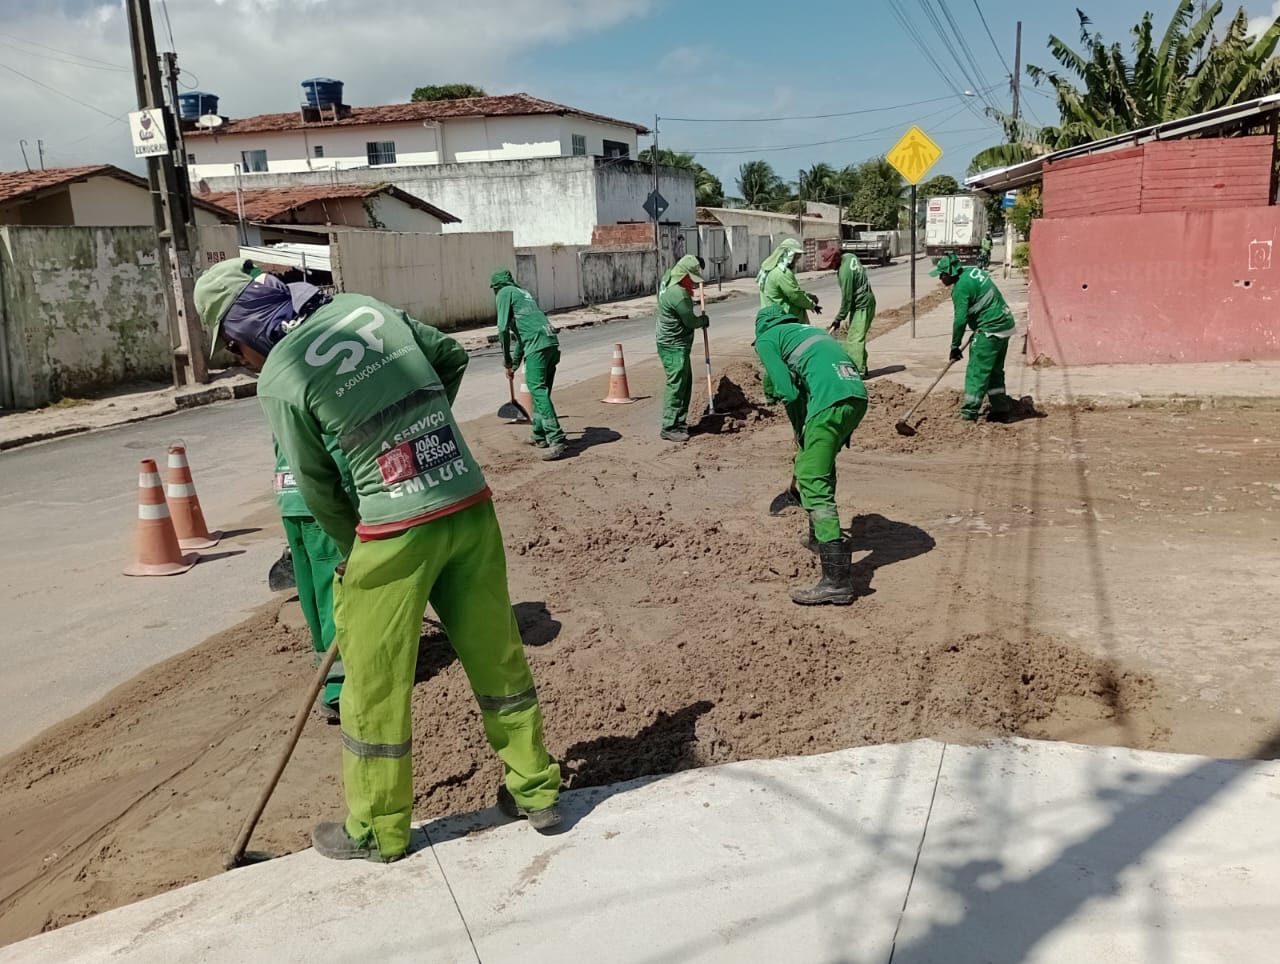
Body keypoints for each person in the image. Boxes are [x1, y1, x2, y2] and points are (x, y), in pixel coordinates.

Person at [193, 260, 562, 863]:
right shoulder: (366, 306)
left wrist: (352, 548)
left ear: (245, 329)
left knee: (373, 684)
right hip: (467, 504)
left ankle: (375, 830)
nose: (242, 361)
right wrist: (418, 433)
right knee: (496, 653)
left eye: (233, 349)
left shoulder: (281, 376)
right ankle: (537, 790)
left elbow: (316, 486)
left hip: (393, 532)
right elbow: (450, 356)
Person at [753, 305, 868, 606]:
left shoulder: (767, 339)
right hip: (855, 398)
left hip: (829, 402)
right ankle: (817, 538)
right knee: (819, 466)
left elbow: (790, 393)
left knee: (812, 478)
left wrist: (798, 431)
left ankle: (836, 582)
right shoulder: (806, 331)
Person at [273, 433, 354, 723]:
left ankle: (327, 670)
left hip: (290, 491)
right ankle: (340, 689)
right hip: (323, 495)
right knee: (335, 591)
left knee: (311, 593)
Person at [490, 269, 567, 461]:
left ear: (497, 287)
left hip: (538, 346)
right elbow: (521, 337)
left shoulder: (504, 293)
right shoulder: (522, 294)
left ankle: (556, 438)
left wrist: (506, 359)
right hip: (550, 342)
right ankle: (539, 435)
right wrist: (514, 364)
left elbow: (502, 330)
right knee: (541, 392)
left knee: (537, 390)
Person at [931, 253, 1016, 422]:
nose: (940, 278)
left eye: (942, 274)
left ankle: (969, 413)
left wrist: (955, 346)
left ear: (950, 273)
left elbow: (960, 321)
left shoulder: (960, 288)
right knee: (994, 371)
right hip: (1005, 325)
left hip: (989, 330)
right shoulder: (972, 272)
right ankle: (1000, 409)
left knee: (977, 371)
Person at [655, 254, 710, 443]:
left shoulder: (668, 278)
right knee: (677, 385)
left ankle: (679, 422)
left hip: (672, 343)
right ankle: (669, 426)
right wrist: (703, 320)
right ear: (683, 275)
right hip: (673, 345)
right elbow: (690, 321)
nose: (693, 283)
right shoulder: (678, 295)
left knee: (684, 383)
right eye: (691, 278)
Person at [829, 250, 876, 376]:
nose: (830, 268)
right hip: (866, 301)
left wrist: (838, 319)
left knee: (855, 339)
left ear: (836, 261)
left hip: (862, 305)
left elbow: (847, 299)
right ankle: (862, 366)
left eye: (830, 264)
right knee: (856, 337)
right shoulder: (850, 256)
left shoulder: (845, 273)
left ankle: (858, 372)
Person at [757, 238, 821, 324]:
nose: (796, 261)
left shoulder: (768, 270)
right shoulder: (782, 273)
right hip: (785, 320)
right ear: (788, 255)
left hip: (770, 318)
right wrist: (812, 305)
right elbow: (795, 295)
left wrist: (807, 296)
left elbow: (786, 293)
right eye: (795, 257)